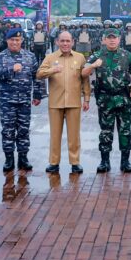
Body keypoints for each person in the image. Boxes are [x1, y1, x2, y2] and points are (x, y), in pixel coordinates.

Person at [83, 28, 131, 173]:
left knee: (125, 131)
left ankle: (125, 161)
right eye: (109, 37)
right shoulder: (97, 55)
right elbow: (83, 72)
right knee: (105, 131)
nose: (112, 40)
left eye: (115, 38)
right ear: (104, 39)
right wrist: (94, 65)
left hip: (124, 99)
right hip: (105, 100)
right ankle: (104, 161)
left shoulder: (127, 55)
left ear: (119, 39)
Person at [37, 31, 90, 174]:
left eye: (68, 41)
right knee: (55, 134)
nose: (65, 44)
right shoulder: (50, 57)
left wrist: (86, 98)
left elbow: (85, 80)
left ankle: (75, 162)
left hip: (74, 101)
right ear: (57, 42)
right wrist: (52, 70)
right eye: (62, 41)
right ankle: (54, 162)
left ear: (73, 42)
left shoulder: (79, 58)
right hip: (55, 102)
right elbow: (39, 74)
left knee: (74, 135)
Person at [0, 28, 45, 172]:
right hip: (7, 101)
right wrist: (10, 69)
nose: (15, 42)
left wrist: (38, 94)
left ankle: (23, 158)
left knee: (23, 130)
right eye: (12, 40)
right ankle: (9, 159)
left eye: (17, 40)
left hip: (24, 101)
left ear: (22, 40)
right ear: (7, 40)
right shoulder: (1, 57)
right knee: (8, 131)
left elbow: (37, 76)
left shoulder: (30, 56)